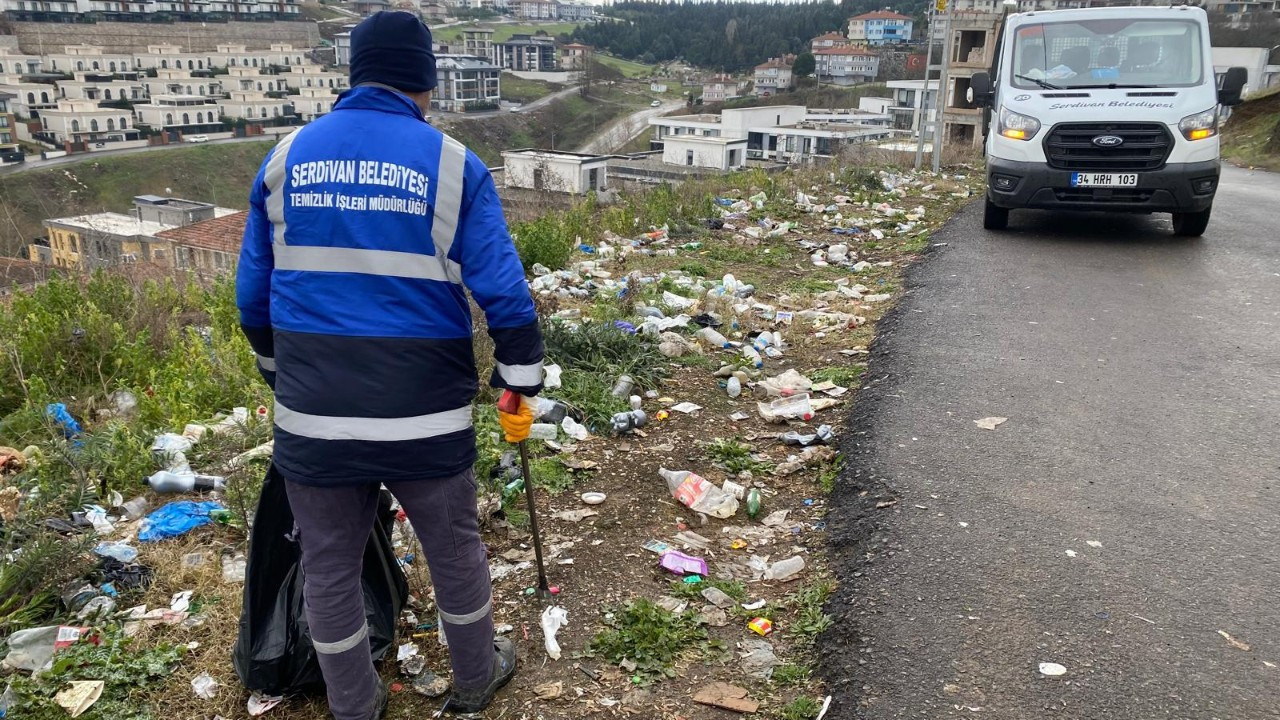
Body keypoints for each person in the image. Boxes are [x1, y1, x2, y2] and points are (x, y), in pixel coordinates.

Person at [235, 11, 543, 719]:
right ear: (425, 83)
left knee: (330, 568)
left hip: (315, 415)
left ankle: (355, 706)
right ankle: (473, 680)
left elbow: (252, 297)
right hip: (424, 414)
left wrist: (279, 374)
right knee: (454, 551)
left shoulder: (284, 159)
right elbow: (505, 293)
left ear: (354, 75)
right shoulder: (452, 164)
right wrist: (518, 378)